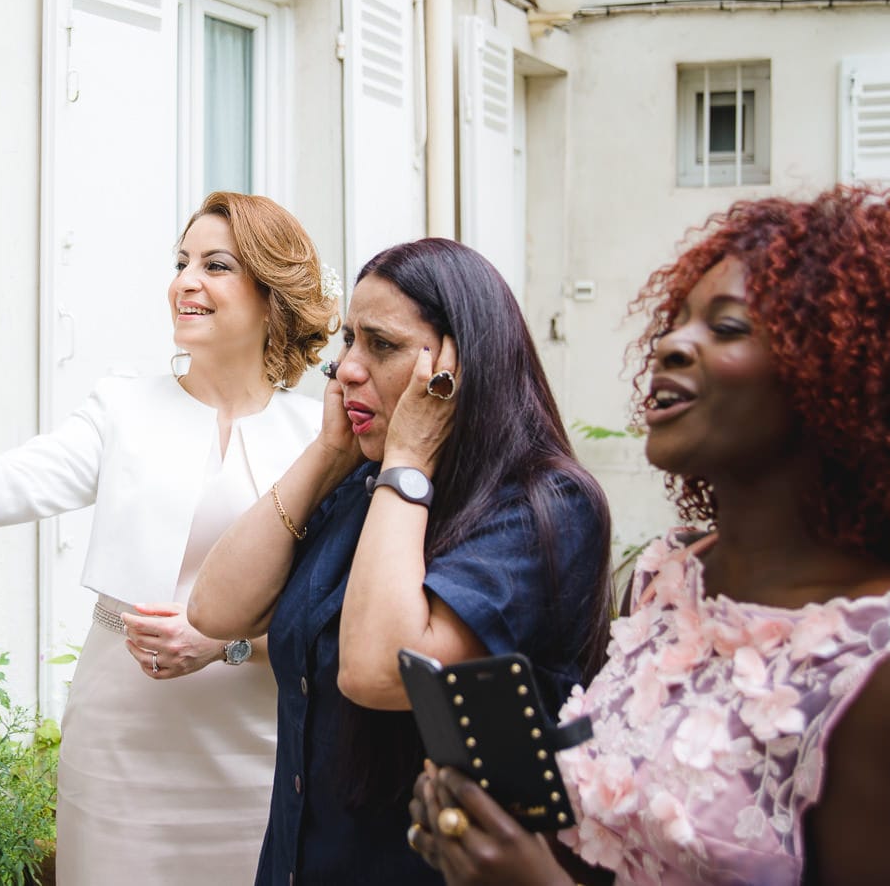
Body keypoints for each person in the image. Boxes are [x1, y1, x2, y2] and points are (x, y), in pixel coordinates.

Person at [408, 185, 890, 885]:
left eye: (726, 328)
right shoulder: (665, 581)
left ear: (850, 380)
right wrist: (491, 833)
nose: (670, 343)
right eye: (678, 320)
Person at [0, 191, 336, 885]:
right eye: (181, 261)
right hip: (124, 744)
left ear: (272, 292)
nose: (185, 281)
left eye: (216, 265)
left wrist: (226, 644)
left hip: (261, 747)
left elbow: (338, 615)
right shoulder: (122, 407)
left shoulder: (317, 437)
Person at [188, 237, 613, 884]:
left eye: (380, 346)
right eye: (348, 342)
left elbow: (379, 672)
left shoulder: (543, 504)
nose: (348, 369)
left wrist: (410, 461)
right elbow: (215, 609)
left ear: (456, 367)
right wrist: (329, 455)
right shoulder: (363, 482)